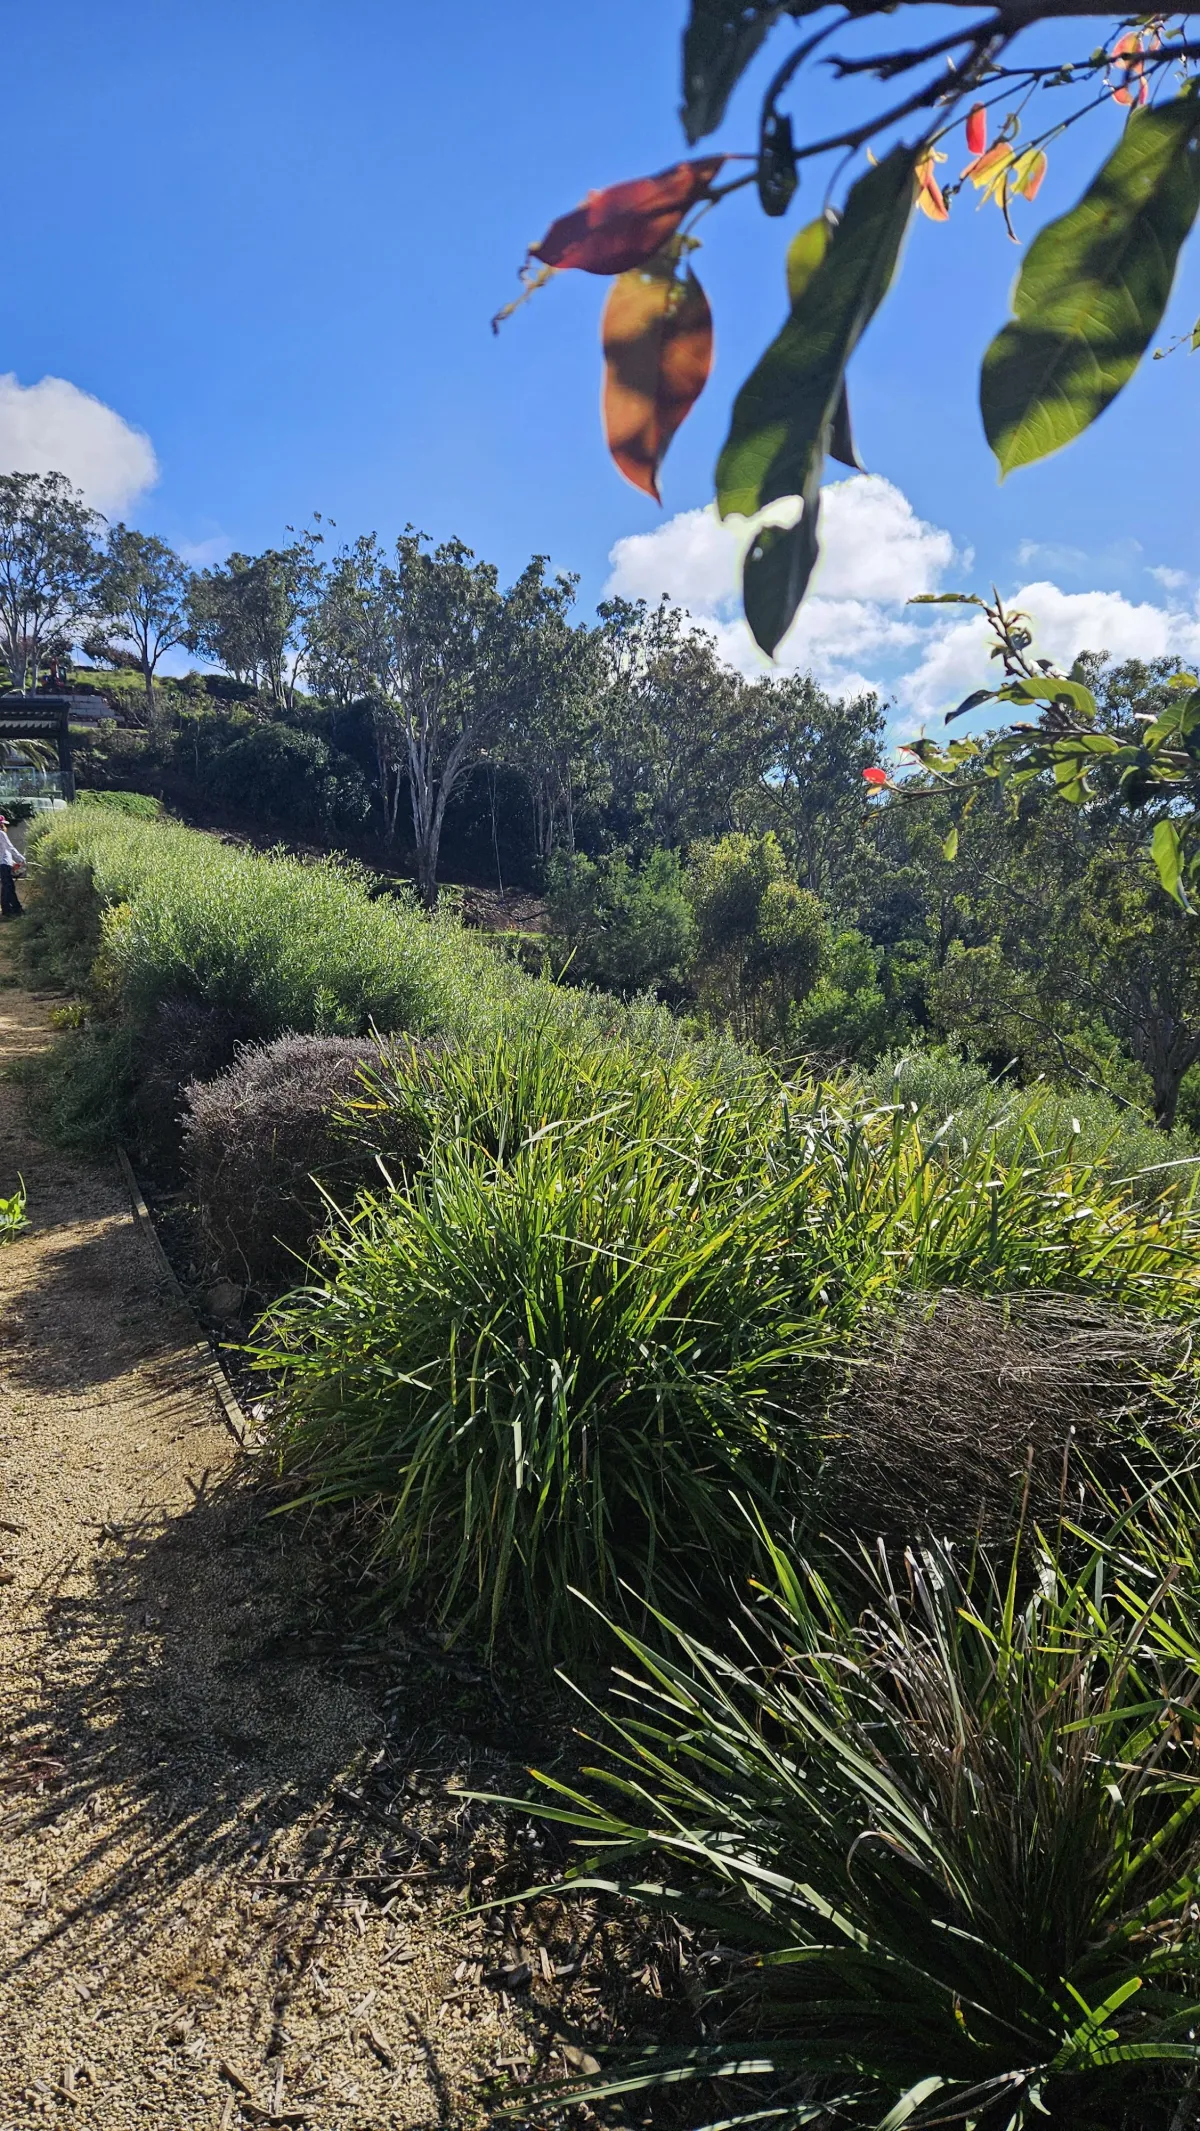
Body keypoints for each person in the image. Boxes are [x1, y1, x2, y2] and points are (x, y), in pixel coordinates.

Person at [0, 814, 25, 918]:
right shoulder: (1, 834)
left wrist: (13, 862)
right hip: (3, 864)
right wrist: (21, 859)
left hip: (4, 863)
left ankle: (12, 909)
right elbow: (10, 848)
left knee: (7, 886)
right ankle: (11, 910)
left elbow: (4, 851)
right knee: (8, 887)